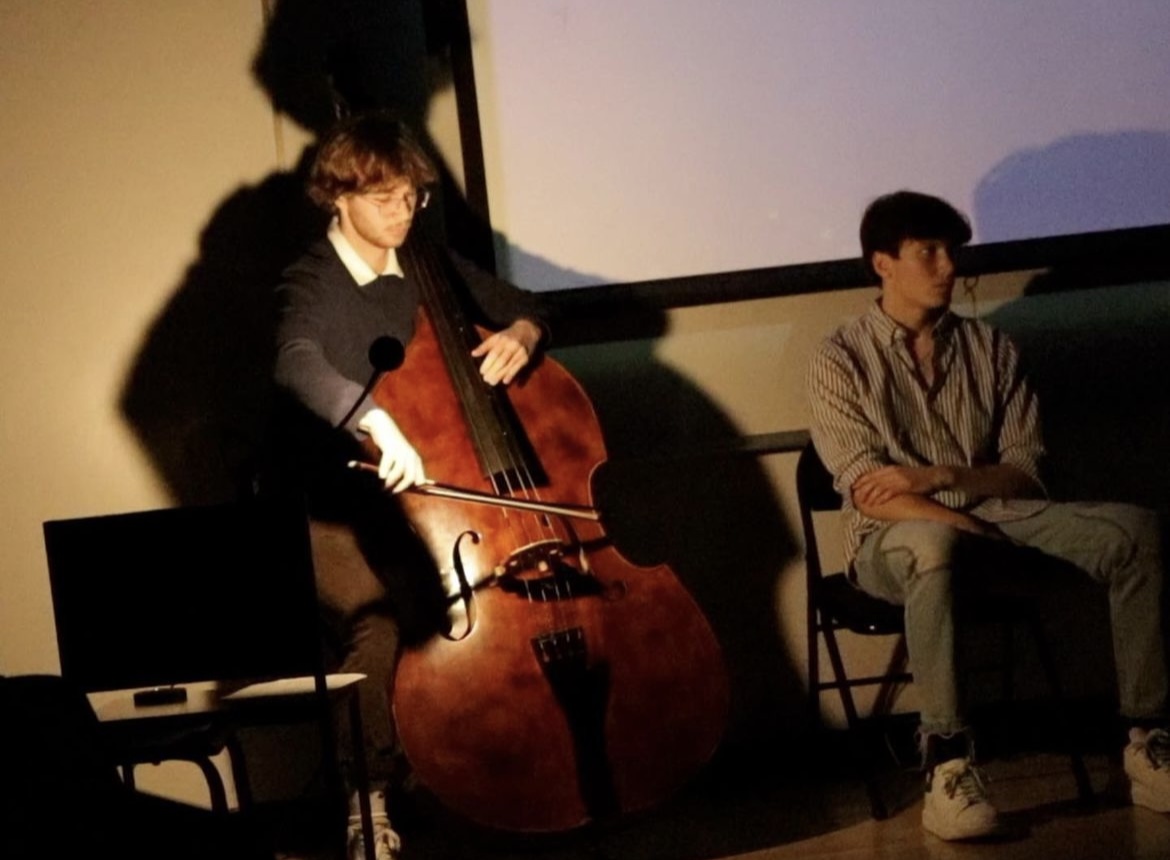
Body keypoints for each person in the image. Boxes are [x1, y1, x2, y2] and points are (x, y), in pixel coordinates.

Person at [807, 190, 1170, 841]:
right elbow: (870, 492)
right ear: (883, 263)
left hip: (999, 515)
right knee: (932, 544)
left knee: (1136, 532)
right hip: (893, 540)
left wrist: (943, 476)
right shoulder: (840, 356)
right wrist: (960, 524)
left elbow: (1025, 471)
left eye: (952, 251)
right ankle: (947, 764)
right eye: (929, 252)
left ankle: (1148, 739)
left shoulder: (991, 348)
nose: (949, 266)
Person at [271, 111, 548, 860]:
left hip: (426, 499)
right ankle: (366, 800)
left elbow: (528, 306)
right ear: (340, 198)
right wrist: (374, 421)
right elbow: (296, 361)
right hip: (334, 504)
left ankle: (472, 775)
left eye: (412, 197)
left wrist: (521, 334)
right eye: (384, 197)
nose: (403, 212)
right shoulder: (312, 281)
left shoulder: (425, 260)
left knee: (470, 601)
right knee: (378, 618)